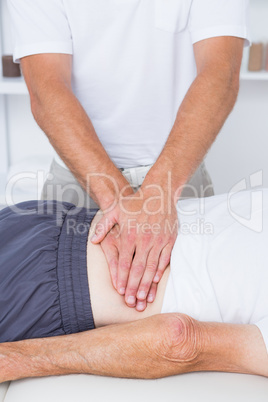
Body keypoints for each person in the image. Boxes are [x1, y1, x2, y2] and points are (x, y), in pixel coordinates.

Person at [7, 0, 250, 310]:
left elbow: (221, 72)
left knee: (189, 328)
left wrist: (157, 194)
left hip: (178, 178)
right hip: (76, 176)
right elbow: (47, 88)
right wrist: (126, 206)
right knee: (60, 335)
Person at [0, 189, 267, 382]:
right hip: (39, 294)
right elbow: (178, 338)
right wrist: (18, 359)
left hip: (37, 222)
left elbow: (180, 337)